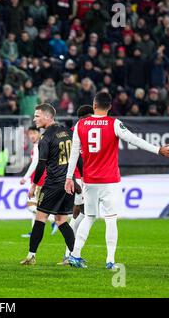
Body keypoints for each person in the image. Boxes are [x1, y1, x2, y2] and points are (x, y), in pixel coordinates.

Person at [64, 92, 169, 269]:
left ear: (94, 105)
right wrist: (158, 150)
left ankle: (75, 255)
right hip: (109, 180)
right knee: (110, 219)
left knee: (90, 217)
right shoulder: (114, 124)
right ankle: (110, 260)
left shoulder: (80, 124)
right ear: (109, 107)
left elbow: (73, 154)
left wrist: (69, 178)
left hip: (90, 180)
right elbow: (134, 140)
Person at [20, 103, 81, 266]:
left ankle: (31, 255)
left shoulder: (45, 137)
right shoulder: (69, 132)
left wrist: (33, 185)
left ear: (48, 116)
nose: (35, 119)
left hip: (53, 183)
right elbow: (78, 158)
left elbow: (41, 165)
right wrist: (80, 178)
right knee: (61, 220)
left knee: (40, 218)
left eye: (37, 116)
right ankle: (75, 256)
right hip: (69, 182)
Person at [59, 104, 94, 266]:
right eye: (90, 118)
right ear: (83, 118)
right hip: (78, 178)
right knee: (80, 213)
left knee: (83, 214)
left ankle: (70, 253)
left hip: (88, 177)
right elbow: (68, 158)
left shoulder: (85, 130)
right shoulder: (73, 133)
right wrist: (72, 179)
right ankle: (69, 254)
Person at [19, 126, 58, 238]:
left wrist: (25, 177)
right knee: (34, 208)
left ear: (38, 133)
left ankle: (53, 220)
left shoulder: (38, 145)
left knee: (31, 206)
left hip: (39, 181)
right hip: (41, 180)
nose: (31, 136)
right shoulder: (42, 145)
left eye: (33, 133)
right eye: (30, 134)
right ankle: (34, 232)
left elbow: (35, 163)